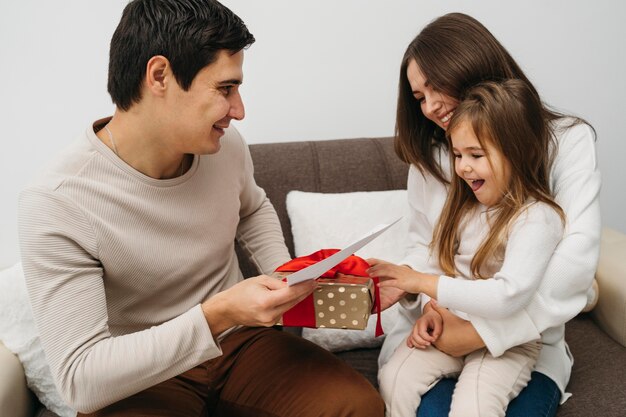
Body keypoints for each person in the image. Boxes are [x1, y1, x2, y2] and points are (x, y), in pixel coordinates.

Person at [17, 1, 384, 416]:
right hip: (142, 373)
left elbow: (252, 207)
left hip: (239, 344)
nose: (239, 110)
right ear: (160, 76)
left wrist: (288, 281)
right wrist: (217, 313)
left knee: (356, 407)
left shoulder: (225, 148)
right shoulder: (57, 201)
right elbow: (80, 380)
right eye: (225, 89)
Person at [368, 12, 601, 417]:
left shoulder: (566, 142)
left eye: (436, 87)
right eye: (419, 96)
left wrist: (479, 334)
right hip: (441, 330)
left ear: (474, 68)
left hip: (520, 340)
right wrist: (423, 302)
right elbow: (425, 246)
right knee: (417, 399)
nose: (430, 107)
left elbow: (572, 266)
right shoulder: (434, 156)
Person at [374, 79, 564, 417]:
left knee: (473, 407)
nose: (462, 167)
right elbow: (444, 265)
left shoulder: (537, 218)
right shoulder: (465, 206)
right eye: (458, 154)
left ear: (519, 153)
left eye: (475, 155)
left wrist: (420, 283)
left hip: (505, 344)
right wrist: (430, 312)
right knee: (395, 377)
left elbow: (508, 296)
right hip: (450, 326)